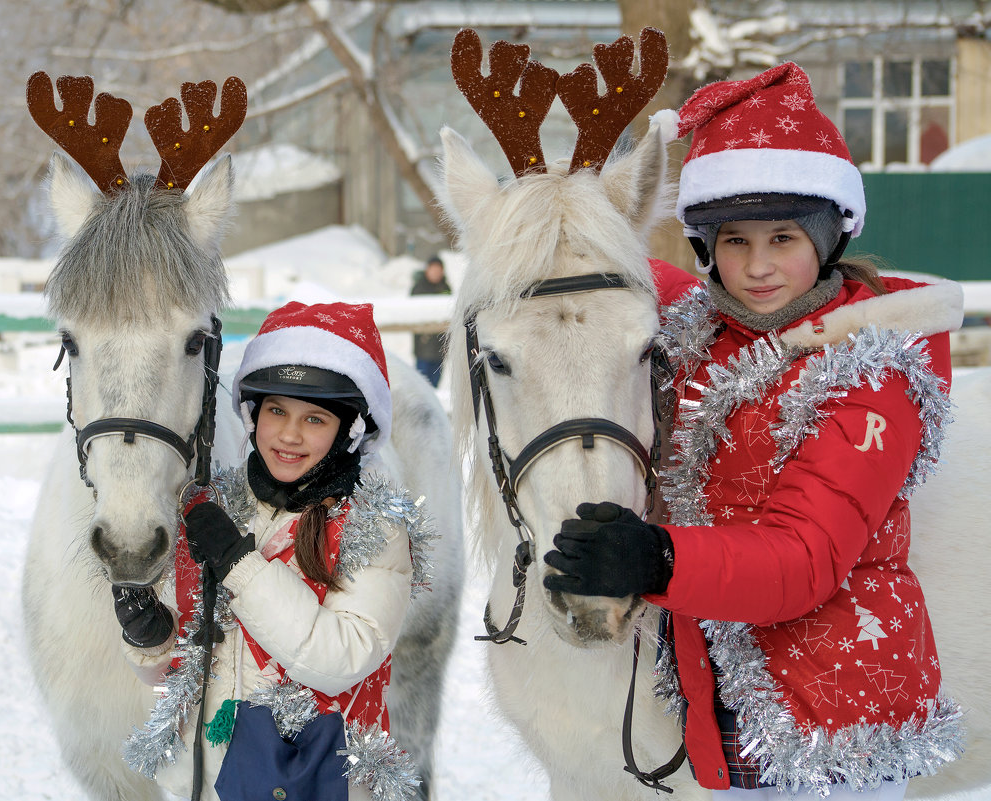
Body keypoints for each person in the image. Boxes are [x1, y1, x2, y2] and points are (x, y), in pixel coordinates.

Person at [544, 63, 965, 799]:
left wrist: (654, 559)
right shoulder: (712, 328)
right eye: (733, 241)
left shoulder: (871, 373)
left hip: (836, 725)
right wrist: (561, 222)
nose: (759, 266)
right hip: (738, 702)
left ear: (830, 236)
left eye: (783, 237)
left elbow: (806, 556)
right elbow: (610, 278)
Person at [113, 301, 423, 801]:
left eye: (315, 418)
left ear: (350, 431)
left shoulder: (373, 526)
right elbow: (177, 670)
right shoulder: (221, 510)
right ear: (253, 414)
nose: (289, 434)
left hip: (312, 779)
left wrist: (240, 565)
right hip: (210, 779)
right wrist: (150, 637)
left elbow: (341, 656)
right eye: (276, 410)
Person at [410, 255, 452, 386]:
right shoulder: (419, 288)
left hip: (440, 344)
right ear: (427, 270)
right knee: (421, 383)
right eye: (433, 269)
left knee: (436, 383)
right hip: (424, 344)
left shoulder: (445, 287)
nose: (435, 273)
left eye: (438, 269)